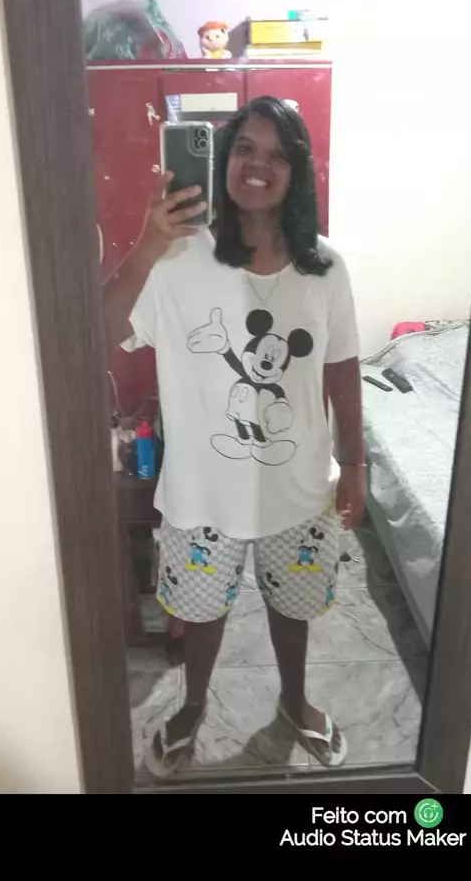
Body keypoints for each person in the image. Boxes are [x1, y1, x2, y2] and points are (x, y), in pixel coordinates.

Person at [104, 96, 365, 775]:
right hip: (203, 493)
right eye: (245, 147)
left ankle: (294, 699)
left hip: (298, 487)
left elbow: (341, 367)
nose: (258, 164)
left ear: (297, 171)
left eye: (278, 154)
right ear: (222, 159)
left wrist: (356, 463)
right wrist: (145, 248)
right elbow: (97, 332)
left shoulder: (326, 267)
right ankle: (194, 705)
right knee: (201, 612)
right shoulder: (176, 258)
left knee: (291, 607)